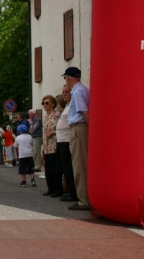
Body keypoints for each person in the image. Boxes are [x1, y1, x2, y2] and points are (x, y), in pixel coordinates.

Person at [63, 67, 90, 210]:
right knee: (81, 163)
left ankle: (84, 200)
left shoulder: (77, 92)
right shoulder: (83, 90)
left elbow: (85, 113)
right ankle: (85, 197)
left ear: (68, 78)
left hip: (79, 128)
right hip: (81, 128)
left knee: (79, 164)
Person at [56, 84, 78, 202]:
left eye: (67, 92)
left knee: (69, 167)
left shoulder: (72, 105)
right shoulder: (67, 106)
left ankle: (74, 193)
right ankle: (70, 191)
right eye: (63, 92)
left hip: (67, 140)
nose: (64, 94)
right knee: (66, 168)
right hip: (62, 140)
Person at [41, 95, 63, 197]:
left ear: (53, 104)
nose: (45, 105)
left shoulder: (57, 115)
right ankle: (50, 188)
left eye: (47, 103)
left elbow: (61, 129)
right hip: (46, 146)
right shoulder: (45, 117)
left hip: (54, 145)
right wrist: (42, 147)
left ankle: (58, 189)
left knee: (55, 169)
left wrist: (53, 132)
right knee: (48, 169)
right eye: (43, 103)